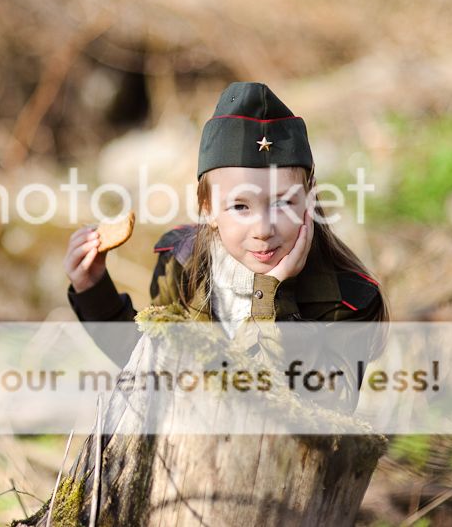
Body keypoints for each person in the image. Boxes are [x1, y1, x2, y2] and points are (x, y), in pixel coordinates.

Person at [63, 82, 388, 411]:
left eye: (283, 203)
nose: (263, 230)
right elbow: (151, 369)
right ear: (208, 209)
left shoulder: (350, 300)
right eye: (240, 207)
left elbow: (324, 411)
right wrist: (93, 291)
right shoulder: (182, 264)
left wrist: (274, 297)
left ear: (310, 199)